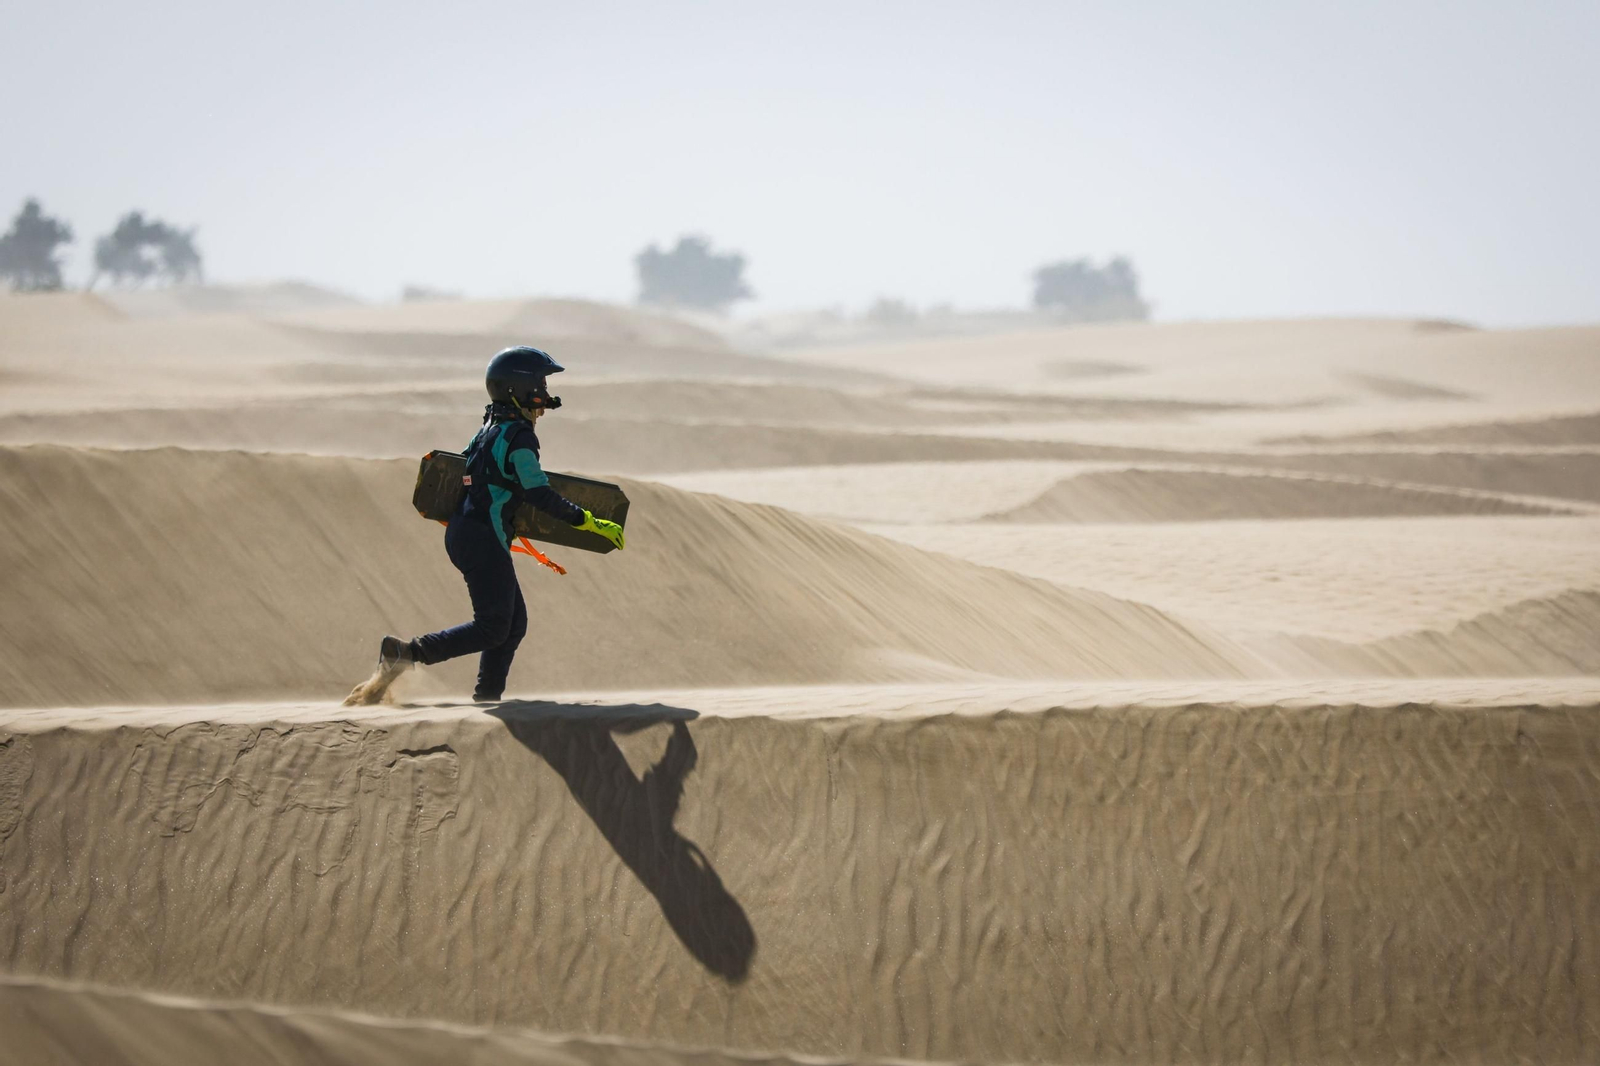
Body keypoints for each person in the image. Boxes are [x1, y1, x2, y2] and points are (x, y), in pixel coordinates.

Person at [375, 346, 625, 701]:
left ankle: (487, 698)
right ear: (519, 388)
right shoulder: (520, 437)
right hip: (482, 538)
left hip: (465, 532)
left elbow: (458, 469)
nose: (545, 391)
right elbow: (539, 492)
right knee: (493, 627)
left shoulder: (489, 429)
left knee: (511, 626)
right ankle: (409, 653)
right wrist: (588, 521)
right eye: (540, 381)